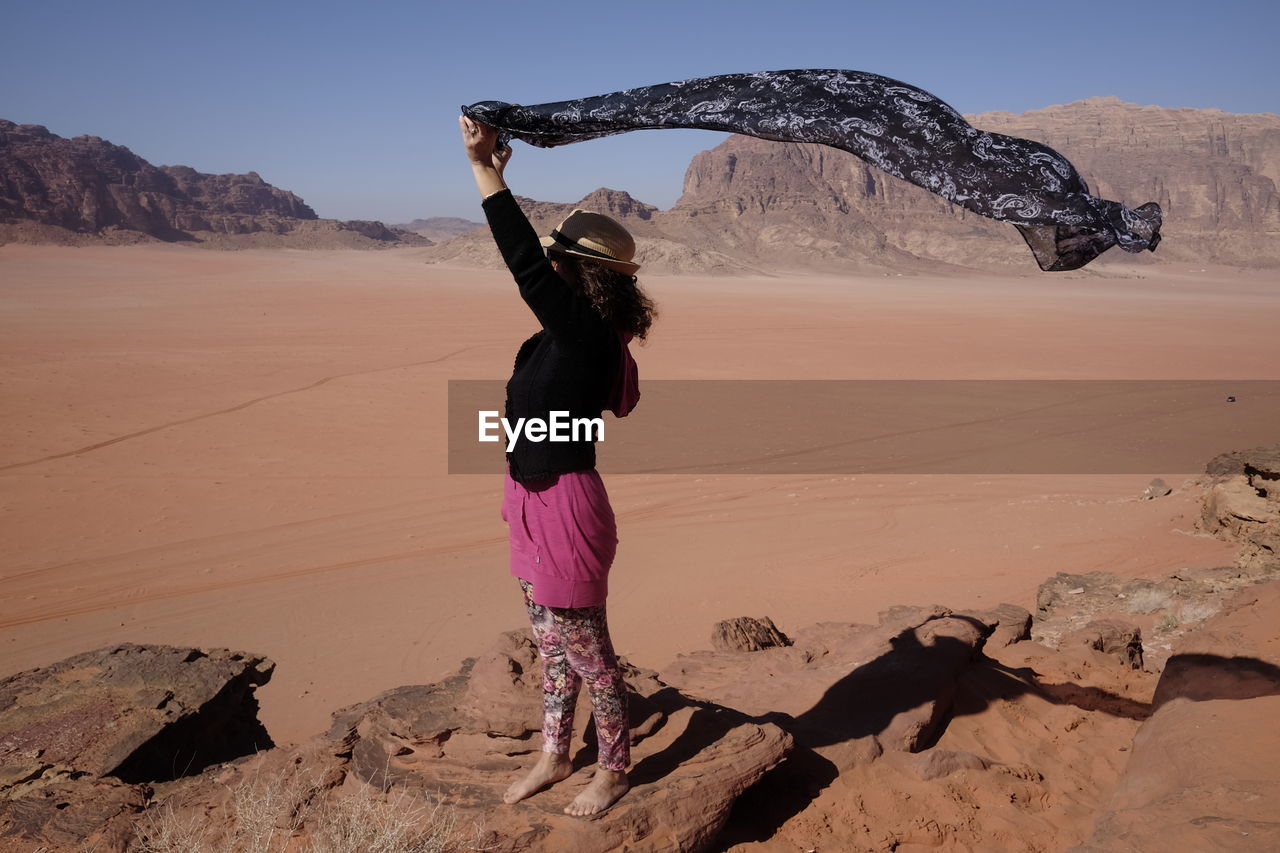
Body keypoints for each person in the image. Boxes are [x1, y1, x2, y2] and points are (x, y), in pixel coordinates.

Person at [458, 114, 657, 817]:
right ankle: (554, 751)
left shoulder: (587, 336)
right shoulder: (555, 338)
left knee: (589, 650)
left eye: (557, 259)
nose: (548, 265)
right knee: (549, 641)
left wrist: (488, 171)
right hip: (526, 496)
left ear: (576, 270)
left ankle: (614, 767)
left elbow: (520, 262)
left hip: (568, 504)